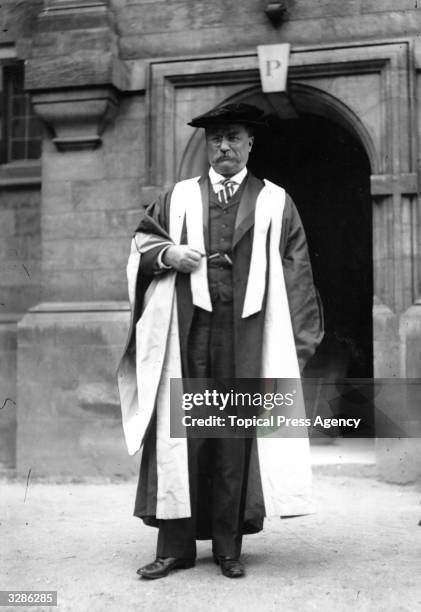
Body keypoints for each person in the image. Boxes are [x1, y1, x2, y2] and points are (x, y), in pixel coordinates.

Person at [118, 102, 323, 580]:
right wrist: (170, 254)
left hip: (246, 336)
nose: (223, 146)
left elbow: (298, 272)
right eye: (215, 139)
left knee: (232, 441)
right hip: (187, 333)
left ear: (251, 143)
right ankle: (176, 549)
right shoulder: (178, 197)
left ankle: (228, 547)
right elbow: (141, 246)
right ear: (206, 146)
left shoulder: (275, 201)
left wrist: (298, 342)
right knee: (179, 437)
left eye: (233, 137)